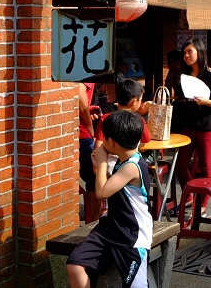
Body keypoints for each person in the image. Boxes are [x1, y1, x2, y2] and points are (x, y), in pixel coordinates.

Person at [66, 111, 152, 288]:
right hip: (110, 228)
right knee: (75, 264)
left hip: (132, 235)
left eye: (104, 138)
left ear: (111, 142)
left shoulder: (132, 166)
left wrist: (102, 161)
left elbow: (102, 193)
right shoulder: (124, 160)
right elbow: (114, 185)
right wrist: (102, 168)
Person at [172, 38, 211, 212]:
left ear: (199, 52)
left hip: (207, 127)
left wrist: (205, 101)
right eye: (184, 52)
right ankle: (189, 197)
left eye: (190, 52)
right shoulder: (183, 74)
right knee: (180, 165)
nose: (186, 56)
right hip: (187, 126)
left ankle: (203, 204)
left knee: (206, 166)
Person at [78, 82, 101, 223]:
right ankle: (94, 223)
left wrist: (86, 110)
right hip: (83, 135)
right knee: (95, 178)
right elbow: (79, 91)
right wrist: (89, 124)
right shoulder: (87, 73)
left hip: (77, 132)